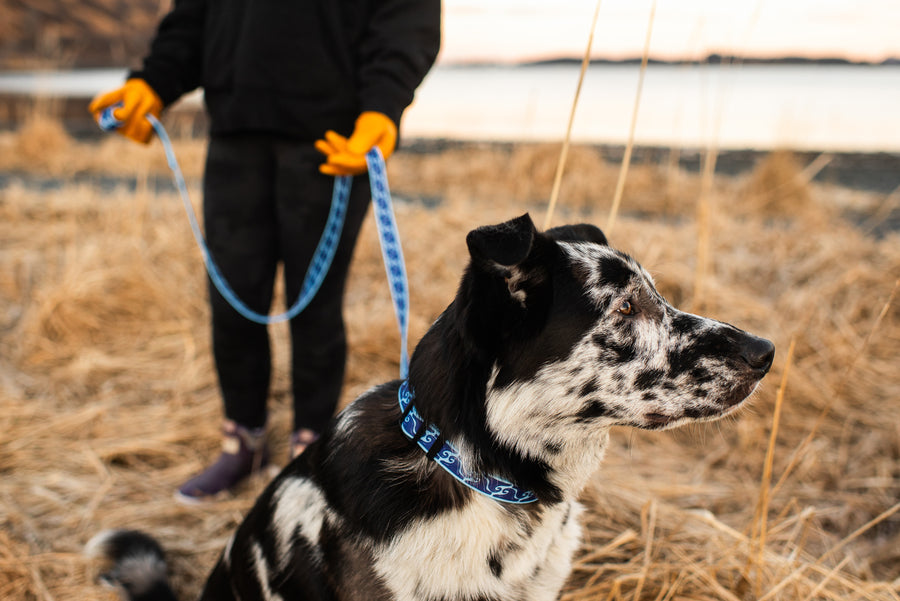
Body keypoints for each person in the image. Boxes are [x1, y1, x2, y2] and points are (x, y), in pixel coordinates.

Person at [89, 0, 441, 502]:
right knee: (232, 301)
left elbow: (409, 19)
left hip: (334, 140)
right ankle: (243, 443)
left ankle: (311, 450)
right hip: (235, 135)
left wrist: (382, 108)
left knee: (316, 307)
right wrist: (154, 82)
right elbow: (194, 19)